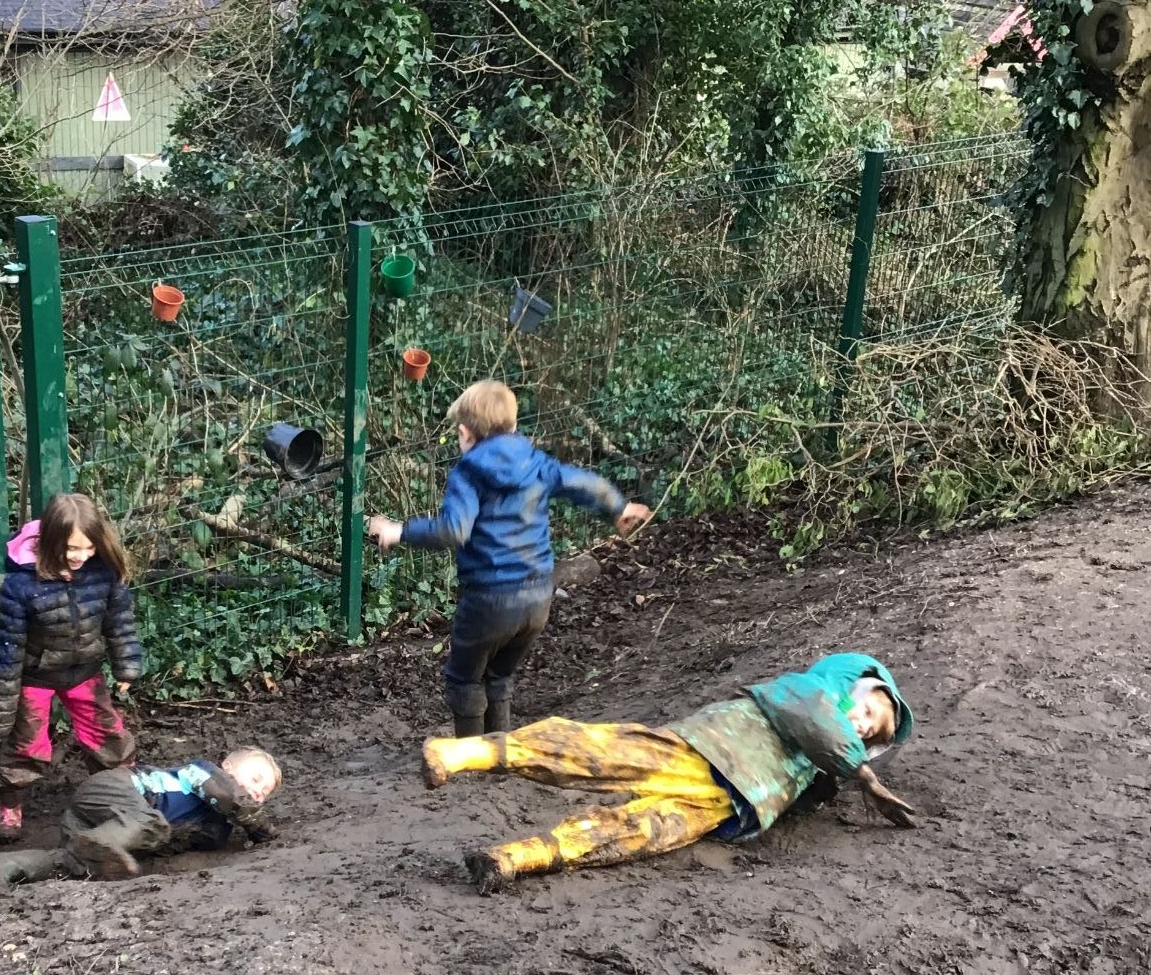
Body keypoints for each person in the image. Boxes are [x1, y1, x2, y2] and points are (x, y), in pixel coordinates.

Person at [419, 652, 916, 891]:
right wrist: (863, 776)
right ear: (862, 688)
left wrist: (831, 784)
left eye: (872, 734)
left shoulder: (826, 758)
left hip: (728, 801)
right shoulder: (814, 690)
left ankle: (512, 858)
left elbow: (806, 780)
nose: (862, 727)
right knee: (593, 754)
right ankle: (459, 753)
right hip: (713, 747)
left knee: (633, 834)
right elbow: (815, 722)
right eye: (870, 713)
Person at [367, 380, 650, 737]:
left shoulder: (468, 472)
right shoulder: (536, 463)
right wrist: (617, 505)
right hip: (537, 598)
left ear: (465, 433)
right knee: (499, 674)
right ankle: (501, 752)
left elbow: (455, 529)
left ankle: (471, 755)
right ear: (514, 426)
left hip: (490, 599)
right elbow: (582, 482)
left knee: (465, 677)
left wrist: (400, 531)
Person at [0, 491, 144, 842]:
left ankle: (122, 791)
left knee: (106, 733)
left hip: (84, 670)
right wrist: (0, 710)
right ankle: (10, 806)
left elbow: (120, 621)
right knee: (26, 742)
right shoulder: (21, 585)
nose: (81, 557)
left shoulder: (103, 573)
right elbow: (7, 649)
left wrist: (126, 665)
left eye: (88, 548)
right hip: (35, 676)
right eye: (72, 549)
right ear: (52, 540)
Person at [0, 745, 282, 893]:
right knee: (152, 824)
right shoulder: (204, 772)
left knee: (76, 863)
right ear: (227, 765)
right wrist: (259, 827)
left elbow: (174, 849)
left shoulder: (218, 830)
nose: (255, 791)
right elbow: (226, 796)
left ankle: (4, 867)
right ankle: (101, 843)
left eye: (263, 792)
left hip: (100, 824)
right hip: (115, 789)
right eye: (255, 779)